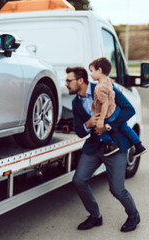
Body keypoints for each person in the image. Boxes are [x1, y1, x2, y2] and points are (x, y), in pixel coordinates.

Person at [65, 66, 140, 232]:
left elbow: (129, 110)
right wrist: (88, 124)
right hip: (94, 147)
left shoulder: (105, 87)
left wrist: (107, 126)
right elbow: (79, 131)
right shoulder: (76, 103)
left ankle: (133, 214)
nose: (66, 84)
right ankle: (95, 216)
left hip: (115, 146)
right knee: (78, 180)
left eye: (69, 81)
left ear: (81, 81)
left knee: (117, 189)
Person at [89, 57, 146, 157]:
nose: (90, 73)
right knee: (125, 128)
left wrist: (101, 119)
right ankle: (139, 145)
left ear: (99, 70)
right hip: (116, 110)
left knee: (97, 128)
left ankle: (111, 145)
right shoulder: (108, 81)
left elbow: (105, 104)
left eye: (92, 70)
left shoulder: (100, 88)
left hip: (108, 114)